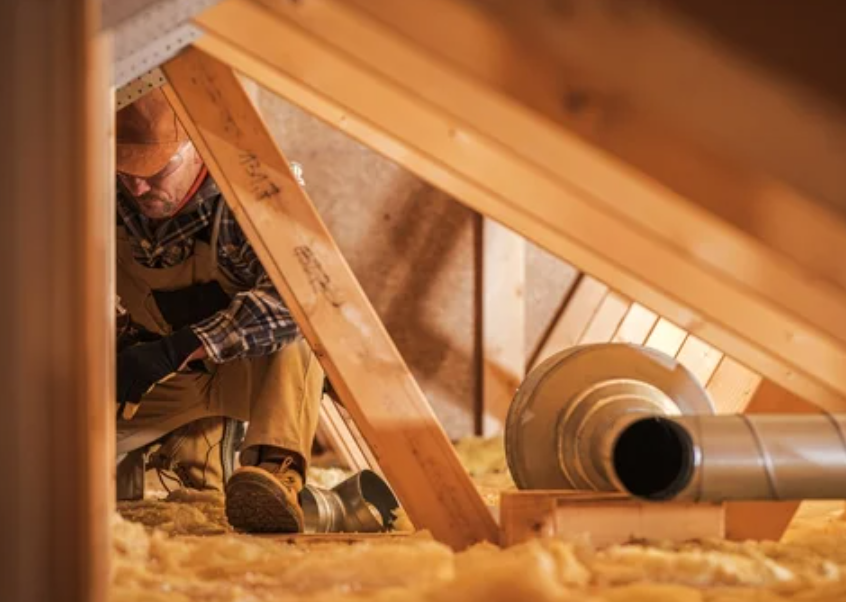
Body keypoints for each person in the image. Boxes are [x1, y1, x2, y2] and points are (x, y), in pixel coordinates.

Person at [113, 88, 323, 533]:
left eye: (154, 172)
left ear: (196, 148)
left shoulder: (250, 193)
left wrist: (181, 346)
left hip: (252, 375)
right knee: (47, 449)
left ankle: (272, 470)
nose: (138, 186)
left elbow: (302, 296)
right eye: (127, 171)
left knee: (301, 324)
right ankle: (196, 440)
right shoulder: (108, 196)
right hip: (166, 376)